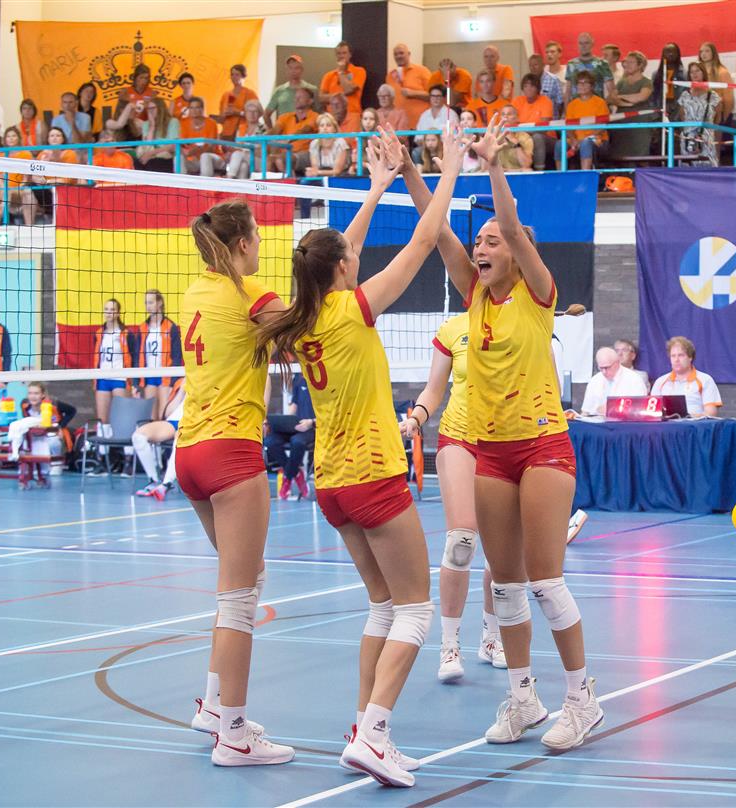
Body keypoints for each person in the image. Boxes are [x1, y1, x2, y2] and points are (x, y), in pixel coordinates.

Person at [255, 125, 464, 784]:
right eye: (349, 256)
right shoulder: (354, 310)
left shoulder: (305, 317)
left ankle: (362, 727)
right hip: (374, 475)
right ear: (343, 270)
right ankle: (374, 735)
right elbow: (424, 242)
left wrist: (375, 188)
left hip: (332, 484)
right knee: (416, 609)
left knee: (382, 606)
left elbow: (338, 253)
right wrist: (450, 169)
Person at [404, 117, 602, 751]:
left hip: (543, 446)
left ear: (516, 252)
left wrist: (492, 164)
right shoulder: (474, 295)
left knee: (545, 581)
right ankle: (523, 699)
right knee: (507, 584)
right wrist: (410, 171)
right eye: (480, 242)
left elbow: (514, 226)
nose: (483, 247)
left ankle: (582, 700)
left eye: (493, 241)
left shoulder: (539, 293)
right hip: (489, 452)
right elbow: (436, 232)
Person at [177, 198, 290, 766]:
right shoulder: (253, 296)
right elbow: (311, 330)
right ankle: (235, 735)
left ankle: (213, 706)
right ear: (243, 243)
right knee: (240, 599)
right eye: (258, 236)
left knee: (244, 581)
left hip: (189, 453)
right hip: (230, 454)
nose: (262, 244)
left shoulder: (193, 293)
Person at [400, 311, 508, 682]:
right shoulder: (453, 328)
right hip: (459, 436)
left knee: (501, 553)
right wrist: (417, 417)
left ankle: (491, 638)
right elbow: (434, 388)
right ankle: (449, 647)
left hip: (506, 439)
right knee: (461, 541)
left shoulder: (523, 320)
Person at [6, 381, 75, 486]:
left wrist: (61, 426)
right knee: (23, 437)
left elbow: (72, 411)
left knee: (53, 440)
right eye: (30, 393)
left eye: (36, 393)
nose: (33, 396)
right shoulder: (24, 404)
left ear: (42, 395)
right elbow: (26, 420)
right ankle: (30, 464)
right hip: (36, 433)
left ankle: (56, 463)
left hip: (53, 431)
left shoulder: (53, 403)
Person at [265, 370, 315, 501]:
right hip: (295, 425)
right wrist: (285, 422)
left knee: (296, 442)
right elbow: (294, 404)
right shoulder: (298, 377)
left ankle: (287, 477)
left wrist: (311, 422)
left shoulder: (318, 379)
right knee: (270, 441)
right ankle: (296, 473)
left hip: (310, 427)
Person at [133, 381, 183, 500]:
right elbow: (168, 412)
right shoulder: (181, 381)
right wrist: (182, 390)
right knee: (138, 436)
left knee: (181, 436)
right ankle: (154, 481)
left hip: (194, 422)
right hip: (173, 421)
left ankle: (166, 484)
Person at [650, 336, 721, 416]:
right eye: (673, 356)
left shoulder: (705, 380)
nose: (676, 360)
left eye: (681, 355)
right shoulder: (660, 382)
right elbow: (652, 413)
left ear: (690, 357)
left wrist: (688, 417)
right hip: (666, 424)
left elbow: (711, 413)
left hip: (694, 423)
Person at [92, 298, 137, 426]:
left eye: (112, 309)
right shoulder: (99, 333)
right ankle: (103, 440)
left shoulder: (126, 334)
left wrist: (134, 382)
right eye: (106, 309)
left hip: (120, 378)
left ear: (118, 313)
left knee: (123, 418)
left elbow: (134, 358)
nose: (108, 312)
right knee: (102, 420)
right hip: (103, 378)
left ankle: (124, 440)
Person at [139, 289, 183, 419]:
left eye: (151, 302)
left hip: (166, 375)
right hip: (149, 375)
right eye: (146, 303)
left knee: (163, 414)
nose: (148, 306)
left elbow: (177, 356)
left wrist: (174, 379)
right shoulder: (143, 327)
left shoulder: (170, 327)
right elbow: (138, 354)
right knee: (151, 416)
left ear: (159, 303)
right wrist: (137, 381)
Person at [609, 51, 655, 160]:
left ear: (640, 65)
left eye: (631, 62)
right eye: (626, 62)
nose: (627, 65)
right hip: (622, 122)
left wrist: (621, 97)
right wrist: (628, 102)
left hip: (640, 124)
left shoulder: (646, 82)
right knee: (620, 154)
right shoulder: (622, 82)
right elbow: (611, 98)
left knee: (640, 155)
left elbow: (641, 97)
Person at [579, 346, 647, 416]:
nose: (604, 372)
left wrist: (612, 409)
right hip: (596, 421)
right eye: (601, 368)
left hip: (624, 421)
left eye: (607, 367)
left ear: (617, 363)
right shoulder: (595, 380)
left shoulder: (634, 380)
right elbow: (585, 411)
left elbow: (639, 410)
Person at [678, 62, 721, 166]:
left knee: (707, 167)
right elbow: (682, 116)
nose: (694, 74)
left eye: (697, 71)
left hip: (707, 138)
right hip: (688, 138)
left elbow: (717, 119)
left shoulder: (713, 96)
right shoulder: (684, 95)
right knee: (688, 167)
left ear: (703, 73)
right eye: (691, 72)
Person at [269, 87, 318, 174]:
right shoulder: (285, 117)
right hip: (286, 152)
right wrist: (262, 138)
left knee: (281, 160)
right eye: (296, 97)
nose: (296, 99)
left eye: (301, 97)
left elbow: (305, 130)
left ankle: (291, 181)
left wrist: (288, 139)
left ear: (310, 101)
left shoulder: (315, 116)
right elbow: (275, 130)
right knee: (269, 161)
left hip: (306, 153)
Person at [565, 74, 609, 170]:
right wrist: (573, 139)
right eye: (579, 83)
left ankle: (585, 175)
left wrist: (584, 139)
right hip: (576, 140)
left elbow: (602, 126)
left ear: (592, 86)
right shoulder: (572, 105)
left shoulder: (600, 102)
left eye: (585, 83)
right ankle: (560, 175)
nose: (582, 85)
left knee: (586, 143)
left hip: (597, 139)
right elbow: (568, 127)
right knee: (560, 145)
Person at [0, 127, 40, 225]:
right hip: (4, 191)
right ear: (5, 139)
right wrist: (4, 189)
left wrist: (17, 188)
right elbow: (0, 179)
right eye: (8, 136)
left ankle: (29, 225)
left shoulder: (25, 154)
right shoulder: (1, 155)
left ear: (18, 138)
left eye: (14, 136)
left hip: (19, 190)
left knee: (27, 193)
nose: (11, 138)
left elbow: (26, 179)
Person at [511, 75, 553, 170]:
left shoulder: (545, 101)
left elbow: (543, 129)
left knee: (537, 137)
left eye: (532, 86)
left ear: (537, 88)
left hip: (547, 138)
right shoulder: (517, 101)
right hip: (522, 136)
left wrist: (523, 131)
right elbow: (511, 122)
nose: (528, 89)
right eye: (526, 86)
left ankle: (538, 171)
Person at [265, 55, 317, 128]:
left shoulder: (312, 89)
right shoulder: (279, 91)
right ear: (286, 70)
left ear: (302, 70)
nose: (293, 71)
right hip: (283, 132)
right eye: (290, 68)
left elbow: (319, 113)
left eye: (296, 68)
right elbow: (266, 114)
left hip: (305, 131)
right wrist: (272, 132)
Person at [388, 43, 432, 126]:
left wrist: (414, 93)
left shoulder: (422, 71)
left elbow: (434, 96)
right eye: (395, 54)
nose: (398, 56)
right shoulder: (390, 76)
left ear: (408, 54)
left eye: (401, 53)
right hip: (398, 126)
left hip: (420, 124)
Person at [178, 97, 223, 176]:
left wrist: (197, 150)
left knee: (204, 156)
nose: (194, 110)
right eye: (191, 108)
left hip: (211, 156)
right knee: (178, 158)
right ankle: (181, 182)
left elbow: (211, 148)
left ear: (202, 109)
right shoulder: (183, 123)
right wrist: (187, 152)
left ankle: (205, 183)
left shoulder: (211, 123)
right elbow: (182, 145)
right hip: (192, 159)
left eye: (197, 107)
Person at [320, 41, 366, 115]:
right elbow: (321, 98)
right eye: (339, 53)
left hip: (352, 114)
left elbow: (348, 90)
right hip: (332, 115)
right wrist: (341, 95)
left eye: (344, 53)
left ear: (350, 55)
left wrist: (341, 72)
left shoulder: (359, 71)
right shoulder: (328, 75)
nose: (341, 56)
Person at [566, 32, 615, 100]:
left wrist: (604, 104)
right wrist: (566, 106)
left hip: (596, 105)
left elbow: (612, 91)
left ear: (592, 44)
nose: (583, 46)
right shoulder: (571, 64)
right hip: (576, 105)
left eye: (586, 43)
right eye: (580, 43)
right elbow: (568, 92)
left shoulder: (602, 64)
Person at [135, 98, 179, 173]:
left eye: (153, 108)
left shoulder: (173, 122)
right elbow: (147, 145)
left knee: (152, 163)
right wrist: (152, 126)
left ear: (161, 108)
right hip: (148, 154)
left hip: (166, 156)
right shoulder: (146, 124)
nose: (150, 111)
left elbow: (172, 146)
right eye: (148, 109)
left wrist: (150, 154)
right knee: (136, 164)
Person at [218, 64, 259, 140]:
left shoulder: (250, 94)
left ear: (244, 76)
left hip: (243, 133)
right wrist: (221, 117)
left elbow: (255, 116)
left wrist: (237, 112)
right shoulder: (225, 95)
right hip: (226, 133)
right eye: (232, 74)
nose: (234, 77)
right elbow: (221, 118)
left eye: (237, 75)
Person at [651, 43, 688, 128]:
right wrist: (655, 116)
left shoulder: (685, 74)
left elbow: (687, 97)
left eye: (673, 51)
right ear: (663, 54)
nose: (670, 54)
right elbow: (653, 97)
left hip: (678, 113)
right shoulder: (656, 75)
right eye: (668, 51)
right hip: (660, 113)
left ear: (678, 54)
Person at [306, 112, 350, 178]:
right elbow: (315, 168)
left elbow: (337, 171)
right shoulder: (314, 144)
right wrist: (312, 172)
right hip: (320, 177)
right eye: (322, 125)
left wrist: (318, 172)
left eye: (328, 125)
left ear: (334, 129)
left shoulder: (340, 143)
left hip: (338, 177)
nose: (325, 128)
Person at [495, 106, 534, 170]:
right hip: (499, 171)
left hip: (517, 171)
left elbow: (526, 164)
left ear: (517, 118)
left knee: (528, 170)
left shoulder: (525, 137)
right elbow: (485, 167)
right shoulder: (493, 135)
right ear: (500, 118)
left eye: (509, 114)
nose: (505, 117)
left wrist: (517, 144)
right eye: (503, 114)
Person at [528, 54, 564, 121]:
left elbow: (560, 104)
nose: (532, 68)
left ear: (543, 65)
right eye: (530, 65)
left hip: (551, 122)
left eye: (535, 65)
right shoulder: (528, 81)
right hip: (532, 122)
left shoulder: (553, 80)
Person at [543, 40, 570, 106]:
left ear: (559, 54)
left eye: (552, 52)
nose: (549, 54)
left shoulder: (567, 72)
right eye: (547, 52)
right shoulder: (543, 71)